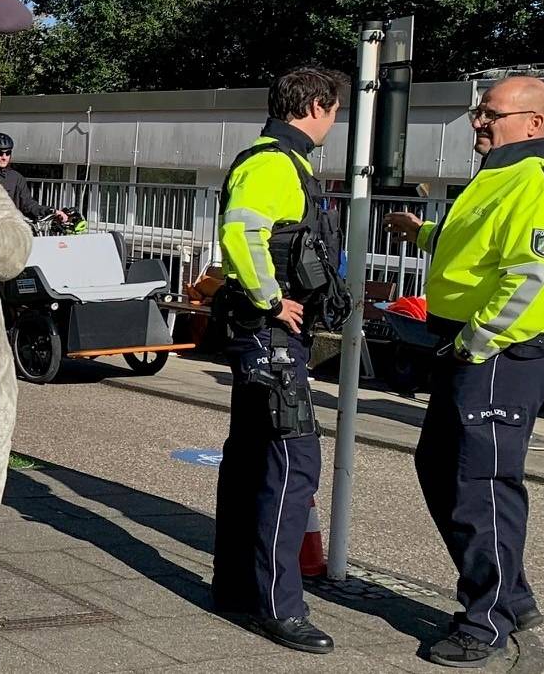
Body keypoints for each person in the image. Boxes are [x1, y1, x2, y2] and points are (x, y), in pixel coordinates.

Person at [384, 75, 544, 667]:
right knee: (442, 470)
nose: (479, 120)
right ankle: (510, 596)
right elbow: (477, 250)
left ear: (534, 123)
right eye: (478, 111)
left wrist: (474, 344)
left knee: (483, 488)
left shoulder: (540, 186)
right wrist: (420, 232)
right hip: (472, 350)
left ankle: (489, 620)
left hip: (500, 354)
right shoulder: (498, 176)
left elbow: (533, 281)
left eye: (491, 112)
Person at [208, 66, 348, 655]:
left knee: (251, 459)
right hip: (270, 332)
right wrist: (272, 298)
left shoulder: (279, 161)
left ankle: (239, 589)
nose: (336, 120)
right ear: (315, 106)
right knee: (294, 465)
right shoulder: (274, 164)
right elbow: (242, 233)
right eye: (335, 109)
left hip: (258, 331)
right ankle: (279, 608)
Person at [0, 132, 65, 225]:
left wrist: (50, 211)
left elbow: (28, 204)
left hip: (10, 230)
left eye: (8, 153)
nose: (4, 157)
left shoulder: (16, 178)